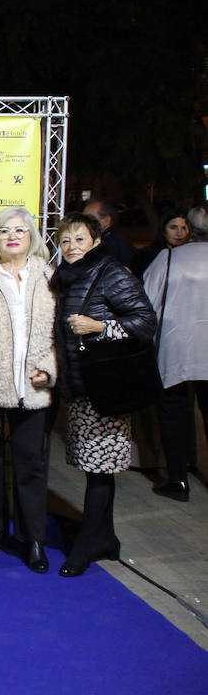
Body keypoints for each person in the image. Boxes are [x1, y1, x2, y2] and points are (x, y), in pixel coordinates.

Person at [50, 213, 158, 577]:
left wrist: (100, 326)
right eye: (65, 241)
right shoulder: (66, 278)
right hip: (84, 388)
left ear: (96, 242)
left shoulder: (111, 273)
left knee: (98, 470)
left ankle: (87, 545)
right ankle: (105, 538)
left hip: (108, 387)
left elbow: (145, 321)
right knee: (96, 469)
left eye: (80, 240)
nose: (71, 247)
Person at [0, 207, 58, 572]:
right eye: (4, 231)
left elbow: (57, 334)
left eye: (20, 230)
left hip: (33, 388)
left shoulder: (49, 277)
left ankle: (33, 539)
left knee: (30, 466)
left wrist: (48, 370)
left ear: (32, 235)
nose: (13, 236)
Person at [143, 203, 208, 501]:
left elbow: (147, 303)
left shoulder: (168, 258)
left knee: (173, 414)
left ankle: (178, 479)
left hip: (174, 348)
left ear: (190, 230)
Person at [131, 207, 190, 277]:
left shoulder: (192, 255)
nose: (179, 233)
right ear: (163, 229)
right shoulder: (145, 256)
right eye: (173, 227)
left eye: (184, 228)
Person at [82, 200, 135, 267]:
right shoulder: (106, 239)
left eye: (88, 218)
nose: (83, 222)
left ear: (106, 220)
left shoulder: (111, 244)